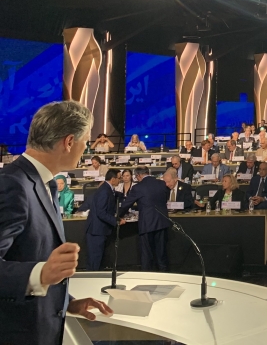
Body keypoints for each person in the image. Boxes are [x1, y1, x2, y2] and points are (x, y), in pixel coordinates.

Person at [0, 101, 113, 344]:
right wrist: (41, 273)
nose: (87, 149)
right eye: (85, 142)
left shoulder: (45, 183)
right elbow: (37, 269)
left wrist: (68, 302)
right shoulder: (11, 184)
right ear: (69, 142)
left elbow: (25, 254)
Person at [118, 165, 171, 271]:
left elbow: (126, 204)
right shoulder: (161, 184)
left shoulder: (138, 188)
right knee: (162, 254)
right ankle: (165, 277)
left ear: (138, 176)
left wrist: (117, 215)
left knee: (147, 255)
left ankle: (147, 278)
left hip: (147, 223)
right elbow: (165, 198)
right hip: (162, 221)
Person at [86, 169, 125, 270]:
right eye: (119, 178)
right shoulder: (104, 191)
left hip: (101, 230)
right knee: (95, 261)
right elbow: (101, 212)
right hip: (97, 231)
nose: (120, 180)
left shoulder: (108, 189)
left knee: (100, 260)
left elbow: (115, 194)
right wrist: (116, 221)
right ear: (113, 179)